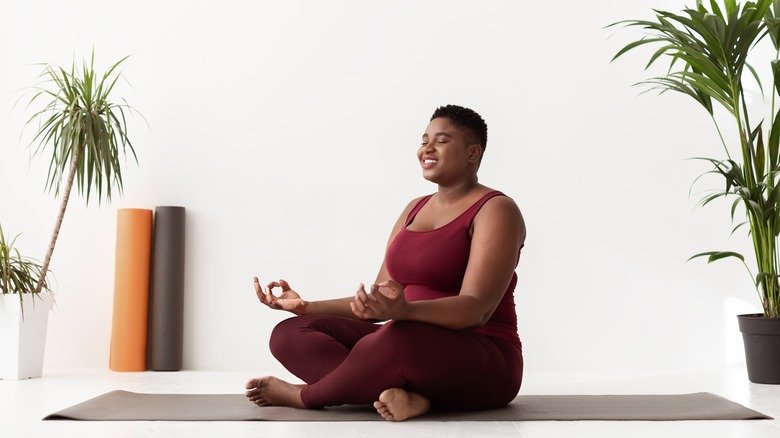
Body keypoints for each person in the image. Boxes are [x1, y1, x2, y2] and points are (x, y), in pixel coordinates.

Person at [245, 104, 526, 421]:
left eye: (442, 140)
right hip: (401, 343)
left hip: (482, 355)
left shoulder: (496, 209)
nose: (426, 149)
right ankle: (412, 399)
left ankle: (305, 396)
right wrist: (306, 306)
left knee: (395, 340)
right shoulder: (413, 209)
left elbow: (477, 310)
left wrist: (405, 312)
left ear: (473, 152)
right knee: (291, 334)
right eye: (424, 140)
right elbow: (377, 302)